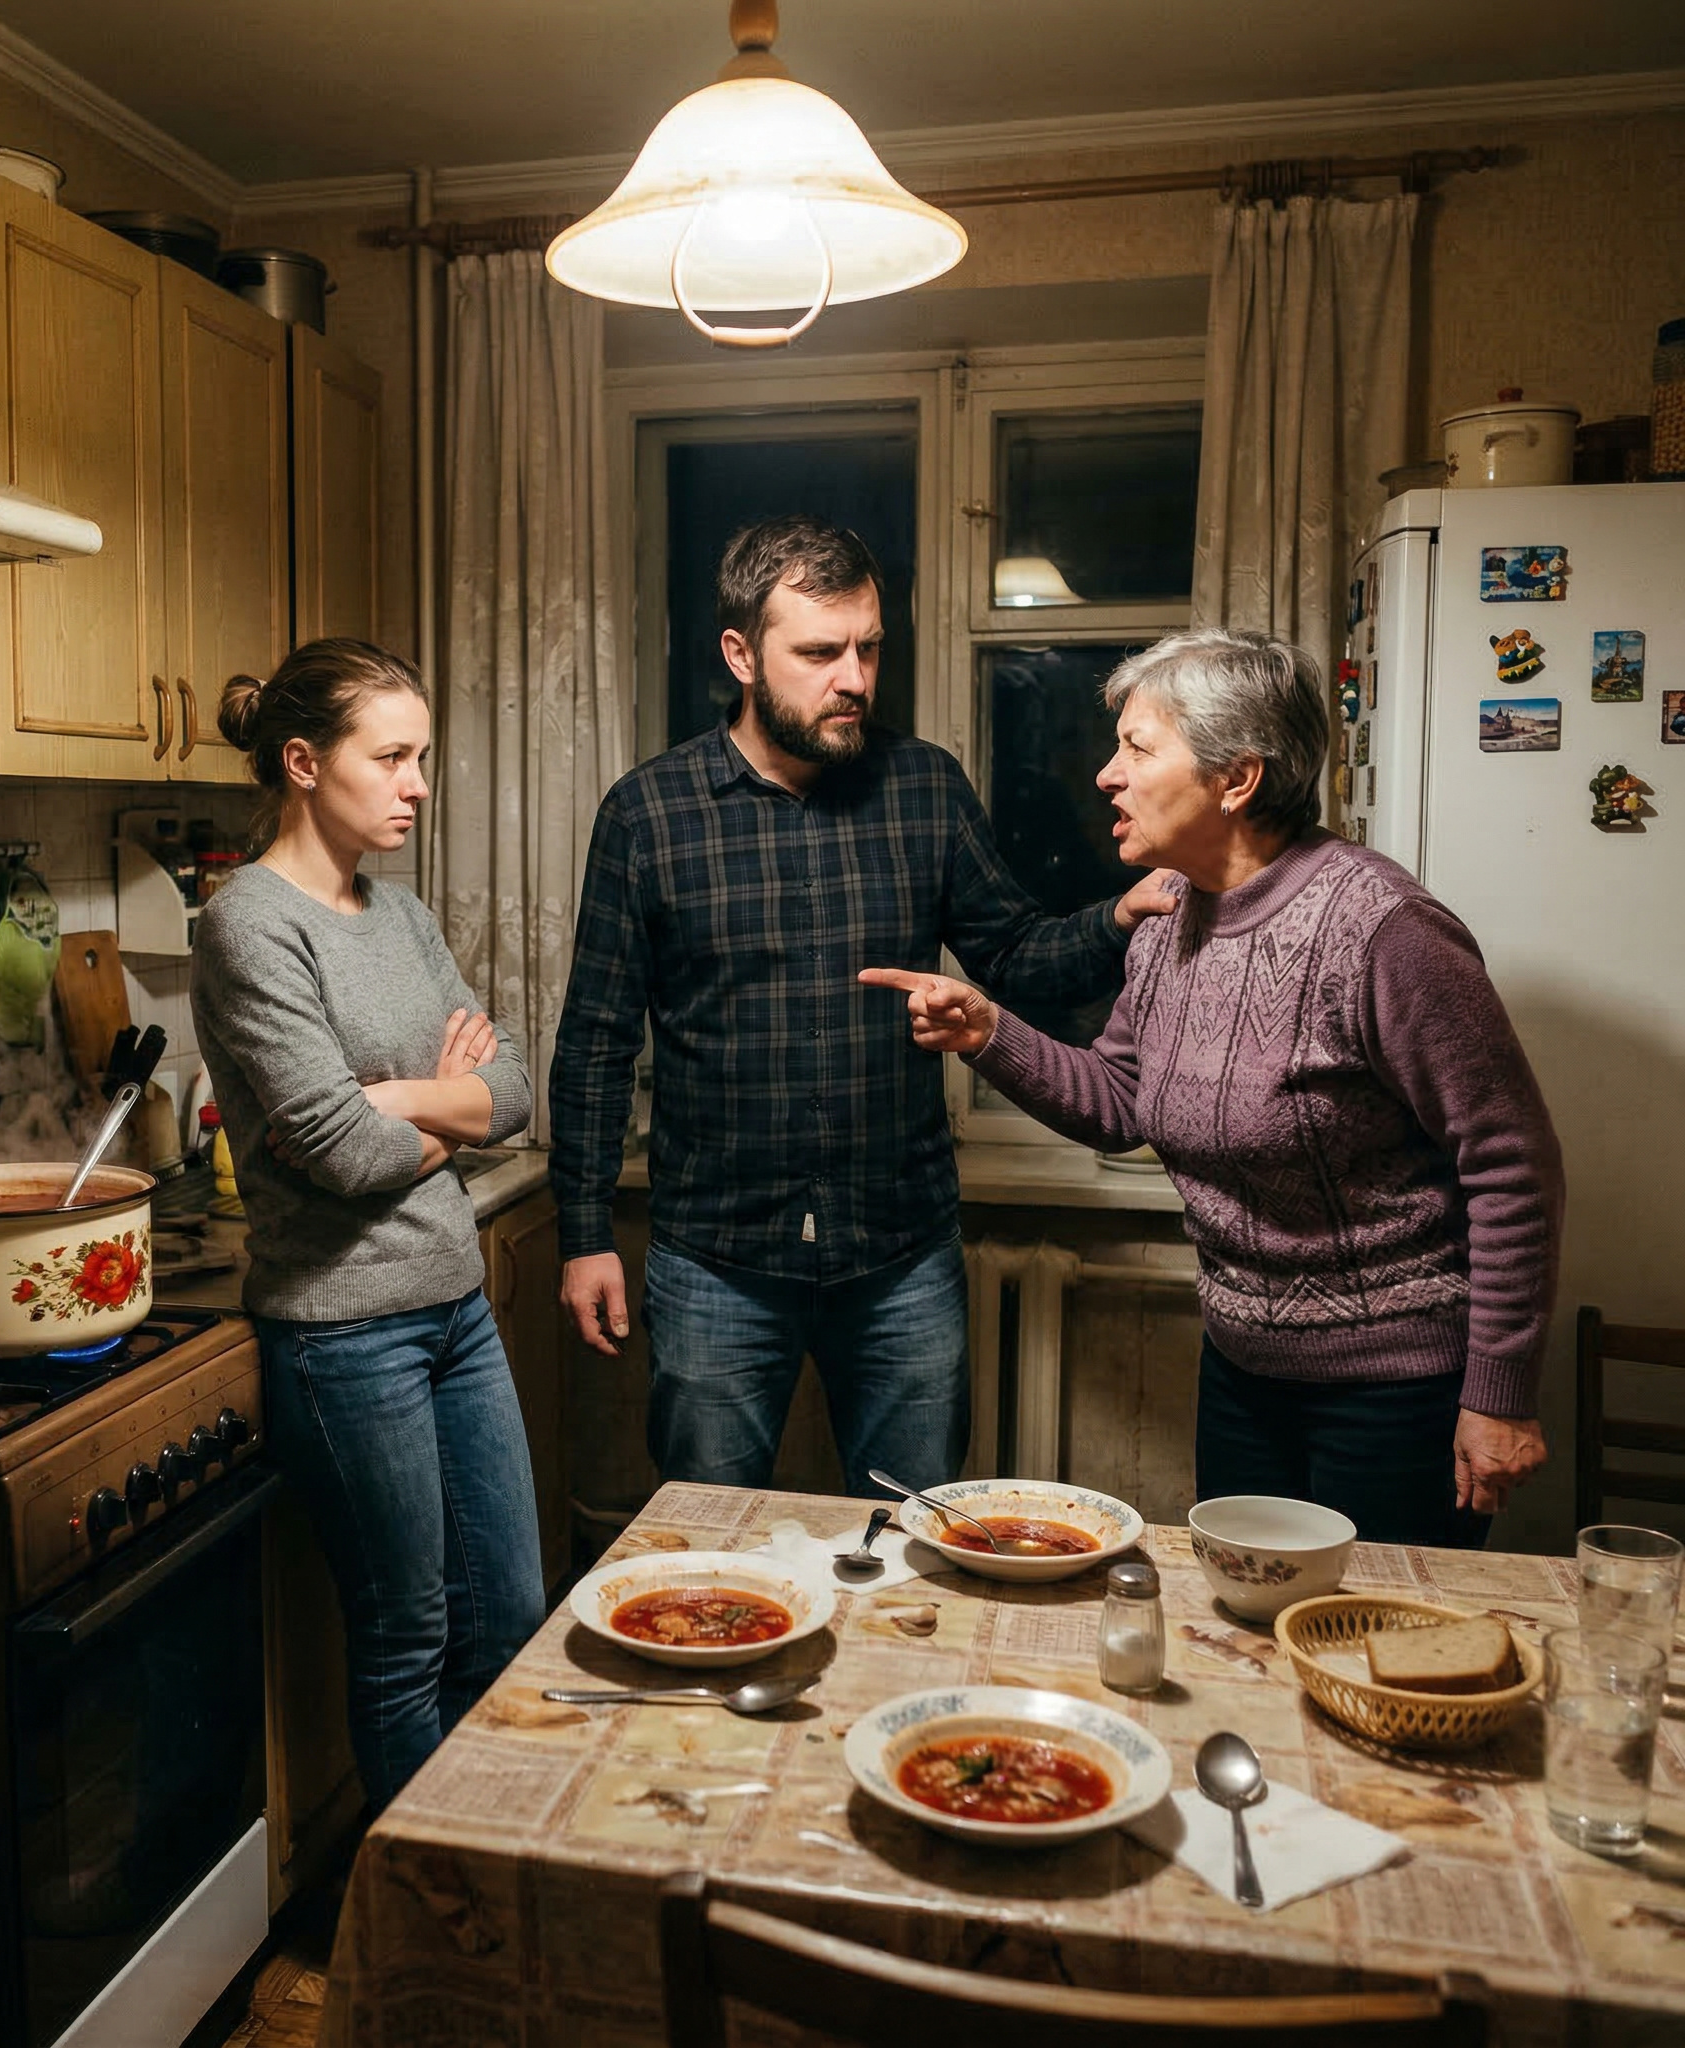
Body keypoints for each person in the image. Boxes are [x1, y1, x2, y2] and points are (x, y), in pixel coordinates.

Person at [862, 627, 1563, 1547]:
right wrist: (990, 1034)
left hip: (1396, 1391)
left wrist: (1499, 1396)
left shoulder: (1381, 927)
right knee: (1247, 1641)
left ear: (1237, 780)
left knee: (1376, 1655)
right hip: (1242, 1373)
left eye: (1138, 748)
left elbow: (1512, 1163)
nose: (1107, 774)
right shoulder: (1169, 917)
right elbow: (1121, 1101)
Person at [550, 516, 1175, 1497]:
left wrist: (1116, 916)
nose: (853, 675)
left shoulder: (924, 787)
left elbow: (1013, 953)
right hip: (714, 1259)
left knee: (914, 1537)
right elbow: (592, 1041)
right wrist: (583, 1230)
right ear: (740, 655)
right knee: (708, 1545)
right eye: (818, 651)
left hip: (899, 1258)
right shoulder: (647, 814)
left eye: (867, 647)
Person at [191, 638, 543, 1809]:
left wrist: (388, 1103)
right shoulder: (246, 921)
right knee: (408, 1637)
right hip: (343, 1336)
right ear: (302, 761)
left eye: (420, 757)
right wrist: (435, 1112)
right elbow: (339, 1153)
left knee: (510, 1618)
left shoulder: (400, 916)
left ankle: (486, 1872)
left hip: (454, 1306)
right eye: (390, 756)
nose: (417, 784)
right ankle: (424, 1927)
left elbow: (516, 1090)